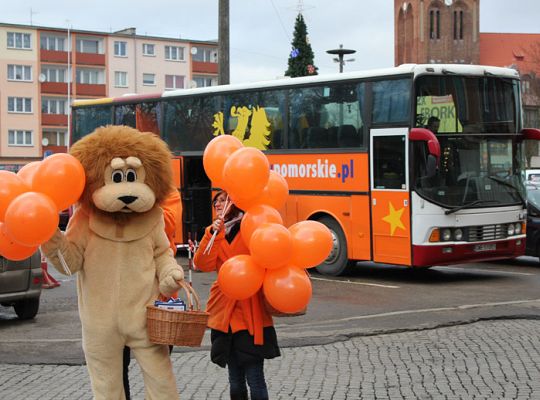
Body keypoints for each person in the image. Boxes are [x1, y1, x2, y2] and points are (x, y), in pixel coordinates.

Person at [194, 190, 280, 400]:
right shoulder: (214, 232)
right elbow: (202, 263)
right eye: (216, 201)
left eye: (224, 200)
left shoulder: (251, 228)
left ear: (235, 203)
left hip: (250, 311)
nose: (218, 204)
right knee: (235, 379)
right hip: (225, 315)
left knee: (255, 377)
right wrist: (212, 234)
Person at [123, 187, 182, 400]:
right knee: (117, 368)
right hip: (119, 300)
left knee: (158, 370)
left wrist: (140, 200)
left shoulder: (167, 191)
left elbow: (169, 222)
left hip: (158, 300)